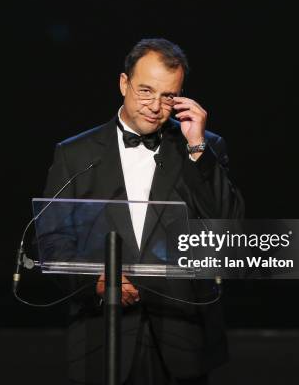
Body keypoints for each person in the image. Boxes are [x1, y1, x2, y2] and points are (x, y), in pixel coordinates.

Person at [42, 38, 244, 385]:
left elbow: (228, 227)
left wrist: (197, 149)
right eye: (145, 91)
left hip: (184, 334)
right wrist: (96, 283)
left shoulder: (202, 146)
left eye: (167, 96)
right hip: (102, 334)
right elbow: (52, 241)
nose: (155, 106)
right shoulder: (75, 154)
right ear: (124, 84)